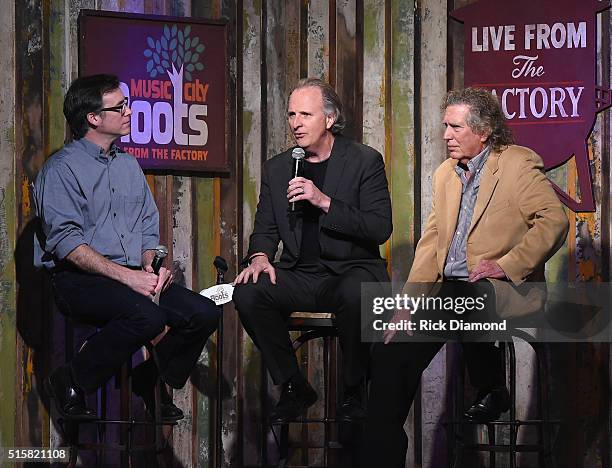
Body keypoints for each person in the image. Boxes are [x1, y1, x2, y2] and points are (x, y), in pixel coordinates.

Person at [363, 87, 569, 466]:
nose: (445, 135)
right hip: (448, 294)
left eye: (455, 127)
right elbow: (430, 245)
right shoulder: (445, 174)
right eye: (445, 126)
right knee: (390, 350)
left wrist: (508, 264)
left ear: (484, 130)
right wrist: (407, 303)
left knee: (468, 298)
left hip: (502, 290)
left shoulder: (518, 163)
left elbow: (555, 221)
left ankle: (492, 387)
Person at [34, 74, 220, 421]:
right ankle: (70, 380)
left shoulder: (128, 164)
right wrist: (129, 279)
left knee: (205, 313)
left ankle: (151, 375)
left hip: (130, 276)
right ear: (93, 117)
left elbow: (148, 226)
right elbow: (68, 245)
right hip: (80, 279)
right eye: (120, 106)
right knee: (147, 315)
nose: (129, 111)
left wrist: (150, 267)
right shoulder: (61, 170)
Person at [233, 78, 392, 423]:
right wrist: (259, 256)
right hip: (301, 276)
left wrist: (324, 202)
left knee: (356, 293)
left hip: (350, 271)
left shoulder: (364, 161)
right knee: (247, 291)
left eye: (306, 114)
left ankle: (353, 390)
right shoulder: (279, 168)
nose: (295, 123)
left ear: (330, 119)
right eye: (291, 114)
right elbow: (265, 229)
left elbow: (380, 228)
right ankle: (293, 385)